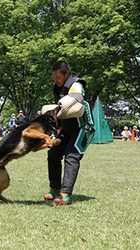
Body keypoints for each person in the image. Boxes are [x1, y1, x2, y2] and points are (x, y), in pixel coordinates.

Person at [44, 61, 95, 205]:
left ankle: (65, 193)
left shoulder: (76, 84)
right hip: (67, 128)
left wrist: (69, 100)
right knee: (53, 154)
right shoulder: (56, 87)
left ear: (67, 74)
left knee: (72, 156)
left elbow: (77, 97)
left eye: (58, 76)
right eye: (54, 77)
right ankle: (55, 188)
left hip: (83, 128)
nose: (56, 80)